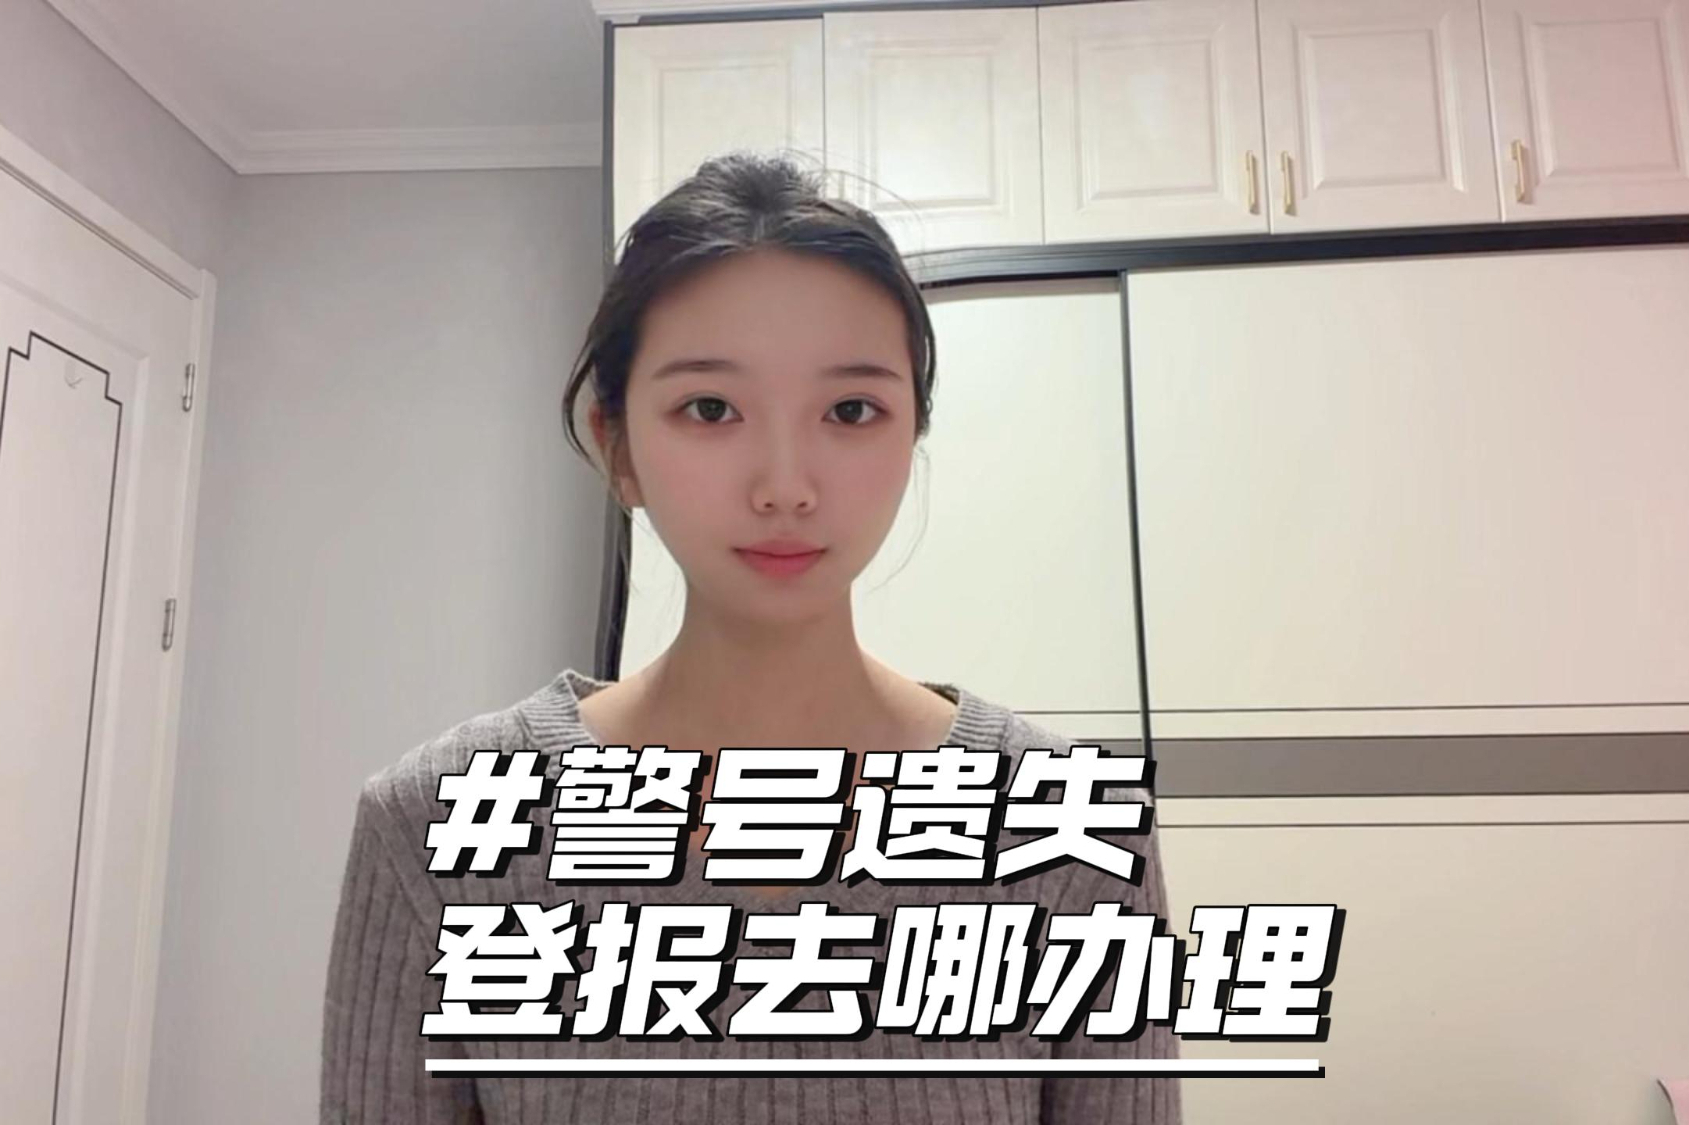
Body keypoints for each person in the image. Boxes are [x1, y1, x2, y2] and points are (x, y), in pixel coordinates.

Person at [319, 151, 1181, 1124]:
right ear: (617, 445)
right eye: (710, 409)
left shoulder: (1071, 837)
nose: (785, 485)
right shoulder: (432, 826)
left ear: (912, 435)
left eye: (851, 410)